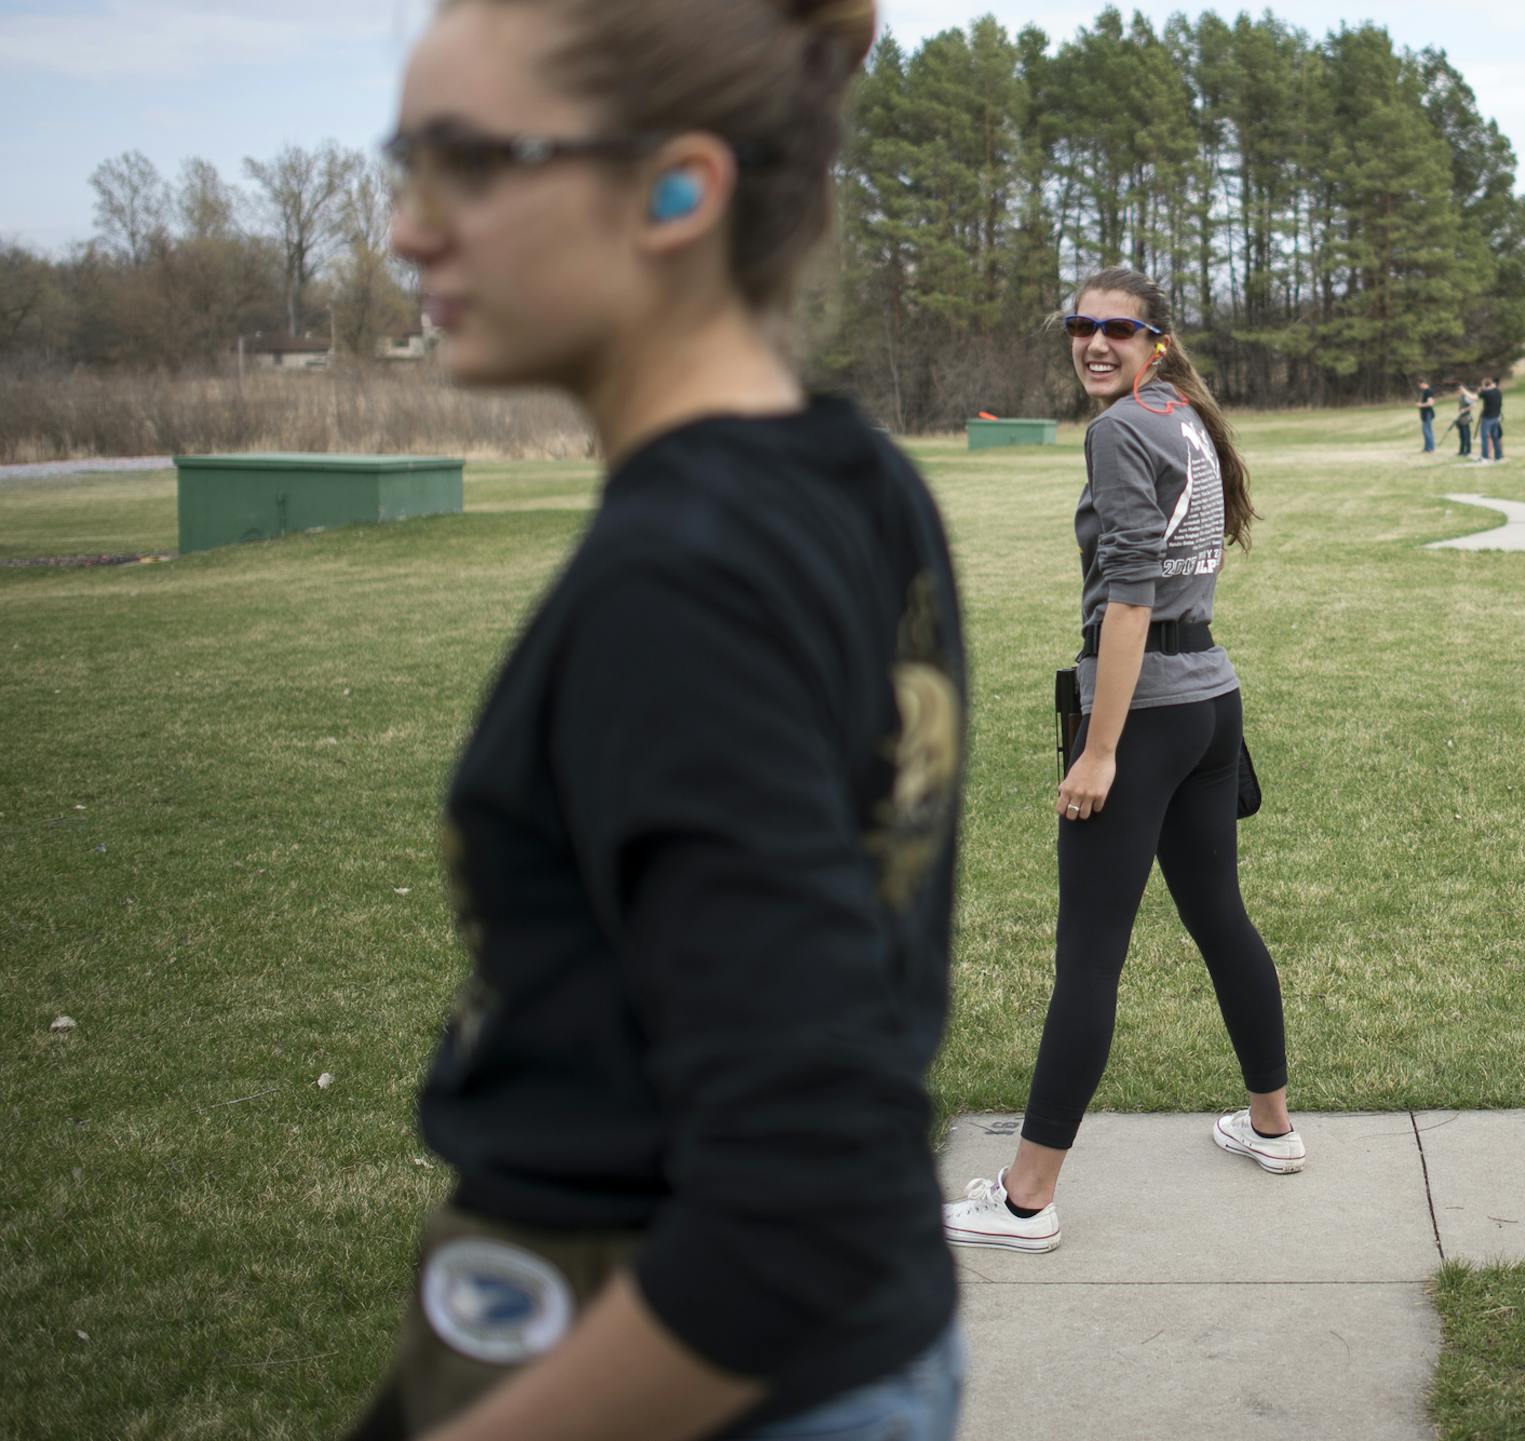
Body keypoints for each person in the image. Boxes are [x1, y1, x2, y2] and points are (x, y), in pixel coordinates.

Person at [348, 2, 969, 1438]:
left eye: (468, 162)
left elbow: (806, 1197)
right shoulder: (850, 475)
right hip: (863, 1357)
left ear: (679, 189)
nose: (406, 229)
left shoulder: (681, 584)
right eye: (406, 160)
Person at [941, 266, 1297, 1254]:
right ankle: (1272, 1126)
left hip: (1144, 716)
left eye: (1118, 329)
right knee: (1220, 916)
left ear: (1159, 340)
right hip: (1210, 705)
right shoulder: (1180, 413)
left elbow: (1131, 595)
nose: (1095, 343)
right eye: (1081, 326)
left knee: (1090, 956)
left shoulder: (1118, 429)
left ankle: (1023, 1200)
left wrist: (1099, 748)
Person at [1477, 376, 1505, 461]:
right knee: (1495, 437)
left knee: (1485, 437)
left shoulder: (1487, 393)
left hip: (1488, 418)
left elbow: (1477, 396)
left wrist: (1481, 391)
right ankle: (1498, 455)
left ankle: (1485, 456)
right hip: (1496, 417)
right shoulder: (1498, 392)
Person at [1414, 375, 1437, 453]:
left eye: (1419, 385)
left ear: (1423, 383)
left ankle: (1431, 448)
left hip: (1428, 413)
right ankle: (1427, 448)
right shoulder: (1424, 392)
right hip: (1424, 414)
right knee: (1425, 431)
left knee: (1427, 431)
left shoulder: (1428, 391)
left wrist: (1421, 405)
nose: (1419, 387)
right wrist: (1420, 404)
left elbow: (1431, 403)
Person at [1453, 381, 1476, 456]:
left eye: (1459, 389)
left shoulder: (1466, 396)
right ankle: (1462, 451)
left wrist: (1464, 410)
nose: (1458, 391)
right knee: (1462, 436)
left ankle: (1467, 451)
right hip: (1461, 418)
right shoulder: (1460, 397)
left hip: (1466, 418)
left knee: (1466, 435)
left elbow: (1473, 405)